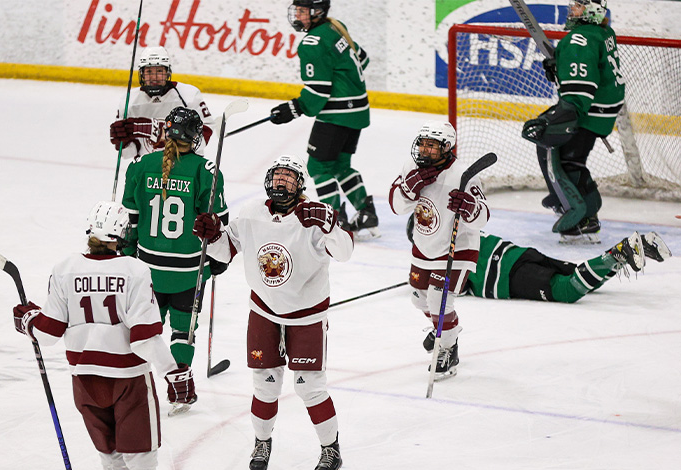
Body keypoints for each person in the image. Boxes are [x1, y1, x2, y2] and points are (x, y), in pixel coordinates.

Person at [11, 202, 197, 470]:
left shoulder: (64, 269)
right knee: (142, 458)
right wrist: (173, 372)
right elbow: (144, 337)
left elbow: (47, 333)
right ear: (122, 235)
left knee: (110, 455)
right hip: (127, 380)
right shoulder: (134, 270)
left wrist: (27, 321)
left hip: (85, 381)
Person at [192, 154, 353, 470]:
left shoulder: (312, 216)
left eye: (289, 178)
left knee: (310, 387)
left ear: (300, 185)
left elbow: (345, 251)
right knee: (265, 384)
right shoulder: (251, 212)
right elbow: (224, 252)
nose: (281, 183)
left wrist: (330, 223)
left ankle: (330, 449)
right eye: (277, 176)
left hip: (307, 315)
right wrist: (210, 235)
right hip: (264, 311)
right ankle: (262, 442)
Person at [405, 217, 671, 355]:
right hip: (520, 254)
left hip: (509, 275)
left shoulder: (443, 255)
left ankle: (621, 253)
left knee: (567, 290)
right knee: (579, 275)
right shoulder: (459, 231)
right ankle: (635, 247)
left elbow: (456, 287)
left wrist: (431, 280)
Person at [121, 106, 229, 414]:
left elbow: (129, 221)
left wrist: (126, 257)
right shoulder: (206, 169)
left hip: (146, 270)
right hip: (188, 270)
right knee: (183, 331)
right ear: (195, 137)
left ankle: (132, 389)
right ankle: (181, 391)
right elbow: (218, 222)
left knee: (144, 331)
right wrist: (219, 259)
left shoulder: (140, 164)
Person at [269, 0, 379, 240]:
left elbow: (318, 92)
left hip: (336, 115)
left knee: (318, 167)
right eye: (296, 9)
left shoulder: (312, 43)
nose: (297, 14)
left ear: (317, 12)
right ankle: (366, 212)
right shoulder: (336, 27)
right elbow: (363, 58)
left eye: (302, 10)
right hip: (358, 111)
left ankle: (336, 218)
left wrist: (292, 108)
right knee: (340, 166)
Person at [388, 121, 489, 380]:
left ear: (446, 148)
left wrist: (469, 208)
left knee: (438, 300)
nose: (424, 150)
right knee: (419, 300)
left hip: (458, 248)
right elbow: (396, 206)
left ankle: (448, 347)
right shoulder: (412, 166)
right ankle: (442, 327)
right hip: (424, 246)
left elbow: (483, 217)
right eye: (422, 143)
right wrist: (408, 189)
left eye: (431, 146)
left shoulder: (463, 174)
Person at [522, 0, 624, 245]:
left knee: (563, 156)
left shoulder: (579, 39)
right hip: (603, 108)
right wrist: (561, 65)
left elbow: (581, 88)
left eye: (579, 5)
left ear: (591, 10)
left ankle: (584, 215)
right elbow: (588, 68)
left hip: (589, 111)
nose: (572, 9)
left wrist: (564, 116)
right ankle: (568, 201)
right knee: (565, 155)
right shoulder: (602, 31)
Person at [109, 46, 214, 161]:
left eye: (159, 71)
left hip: (183, 164)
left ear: (167, 72)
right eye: (149, 71)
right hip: (147, 167)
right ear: (142, 74)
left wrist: (155, 130)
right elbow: (129, 153)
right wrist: (123, 143)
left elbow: (207, 127)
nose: (154, 77)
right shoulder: (129, 101)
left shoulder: (188, 95)